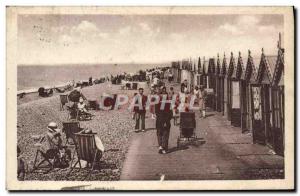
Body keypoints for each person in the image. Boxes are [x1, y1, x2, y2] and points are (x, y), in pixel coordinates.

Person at [155, 86, 173, 154]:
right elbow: (169, 113)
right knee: (165, 134)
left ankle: (160, 146)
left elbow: (156, 112)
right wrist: (167, 120)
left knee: (159, 133)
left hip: (159, 121)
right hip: (165, 121)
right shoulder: (167, 103)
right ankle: (164, 148)